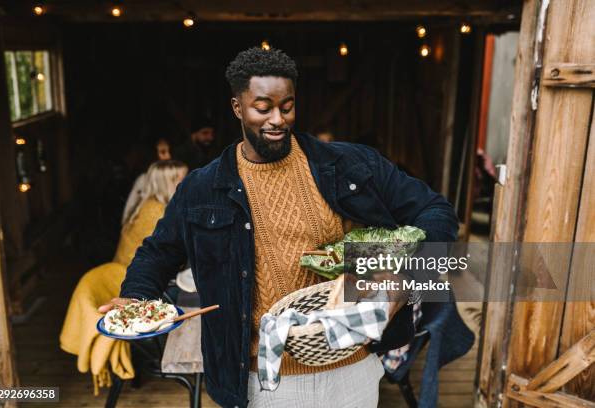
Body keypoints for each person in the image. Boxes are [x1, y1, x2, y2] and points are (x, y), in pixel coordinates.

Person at [99, 48, 464, 408]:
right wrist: (135, 299)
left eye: (287, 106)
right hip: (265, 382)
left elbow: (436, 211)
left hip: (353, 370)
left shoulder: (352, 164)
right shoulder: (201, 189)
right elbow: (157, 253)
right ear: (237, 108)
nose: (278, 119)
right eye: (263, 107)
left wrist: (399, 270)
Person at [61, 160, 187, 395]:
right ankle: (189, 357)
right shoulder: (156, 210)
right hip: (130, 279)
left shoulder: (151, 204)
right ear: (165, 183)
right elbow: (166, 255)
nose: (185, 182)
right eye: (180, 178)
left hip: (125, 273)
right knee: (189, 299)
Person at [122, 138, 176, 225]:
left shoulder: (175, 177)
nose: (168, 156)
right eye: (163, 152)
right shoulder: (144, 179)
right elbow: (128, 212)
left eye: (169, 151)